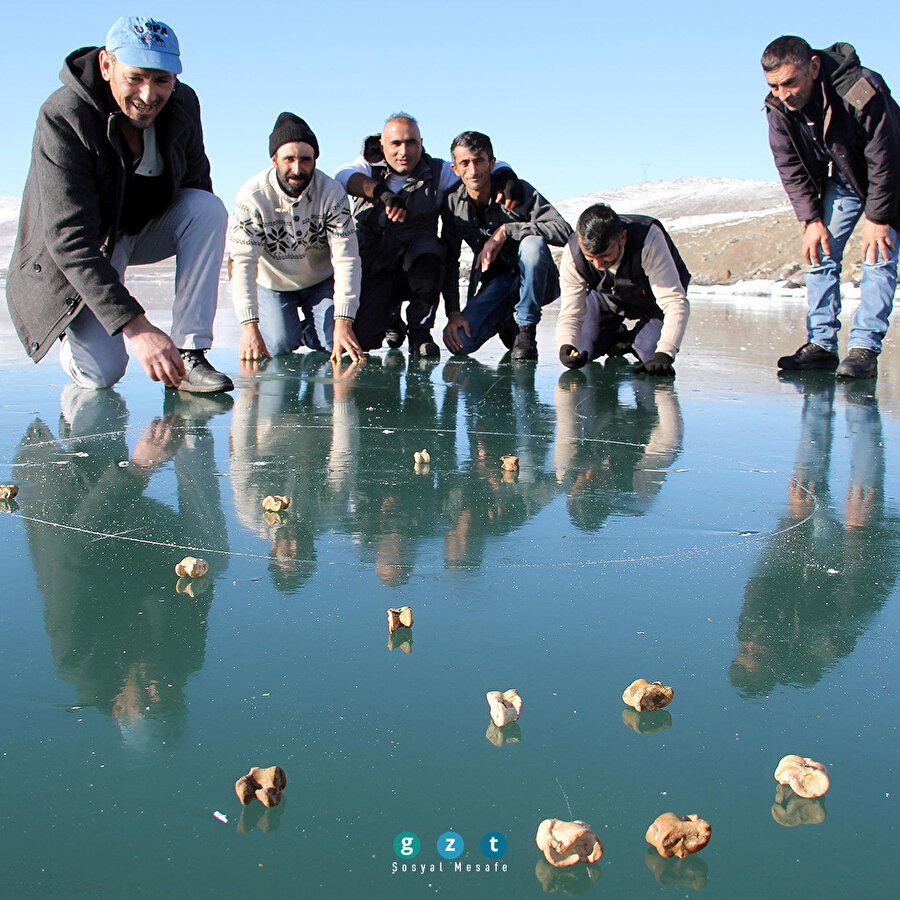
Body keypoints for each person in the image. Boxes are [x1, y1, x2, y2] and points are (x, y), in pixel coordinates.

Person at [6, 16, 232, 393]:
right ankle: (73, 337)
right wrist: (137, 326)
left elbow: (196, 184)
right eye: (136, 77)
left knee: (206, 208)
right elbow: (69, 241)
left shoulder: (183, 103)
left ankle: (191, 353)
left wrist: (199, 256)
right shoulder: (64, 116)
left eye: (162, 80)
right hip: (85, 250)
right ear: (107, 65)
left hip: (139, 231)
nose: (149, 94)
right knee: (103, 373)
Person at [762, 36, 900, 379]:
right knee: (818, 251)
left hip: (891, 175)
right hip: (845, 180)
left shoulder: (861, 87)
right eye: (775, 85)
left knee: (878, 255)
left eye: (791, 82)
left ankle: (863, 349)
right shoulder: (778, 107)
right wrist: (811, 220)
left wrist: (878, 218)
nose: (783, 93)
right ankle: (821, 346)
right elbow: (790, 167)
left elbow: (885, 156)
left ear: (814, 66)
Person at [334, 113, 521, 357]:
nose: (404, 151)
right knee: (364, 339)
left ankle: (419, 332)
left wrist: (507, 176)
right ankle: (391, 317)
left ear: (421, 143)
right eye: (396, 144)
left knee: (432, 250)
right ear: (382, 145)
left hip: (416, 266)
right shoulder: (367, 167)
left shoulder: (437, 171)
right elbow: (342, 176)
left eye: (411, 143)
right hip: (376, 269)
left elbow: (475, 170)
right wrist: (381, 193)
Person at [230, 113, 363, 364]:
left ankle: (311, 332)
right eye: (288, 159)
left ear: (315, 160)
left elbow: (347, 259)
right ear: (274, 160)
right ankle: (291, 330)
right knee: (280, 344)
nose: (297, 169)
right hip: (273, 282)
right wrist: (249, 326)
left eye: (305, 159)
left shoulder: (332, 193)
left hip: (320, 280)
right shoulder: (252, 197)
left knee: (335, 343)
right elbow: (242, 264)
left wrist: (344, 322)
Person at [440, 131, 572, 360]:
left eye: (479, 161)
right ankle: (505, 320)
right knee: (461, 342)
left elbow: (564, 231)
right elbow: (449, 260)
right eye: (465, 163)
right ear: (455, 169)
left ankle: (526, 330)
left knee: (532, 244)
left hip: (538, 281)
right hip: (498, 283)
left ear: (491, 163)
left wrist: (507, 231)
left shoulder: (517, 191)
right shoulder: (452, 203)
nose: (473, 170)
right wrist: (453, 312)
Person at [556, 204, 690, 375]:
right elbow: (570, 312)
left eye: (605, 255)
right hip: (608, 296)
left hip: (654, 299)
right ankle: (615, 335)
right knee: (583, 347)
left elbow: (674, 302)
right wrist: (566, 344)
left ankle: (633, 340)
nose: (598, 265)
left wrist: (665, 353)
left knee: (650, 352)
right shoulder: (573, 252)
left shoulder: (649, 240)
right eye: (591, 258)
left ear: (623, 238)